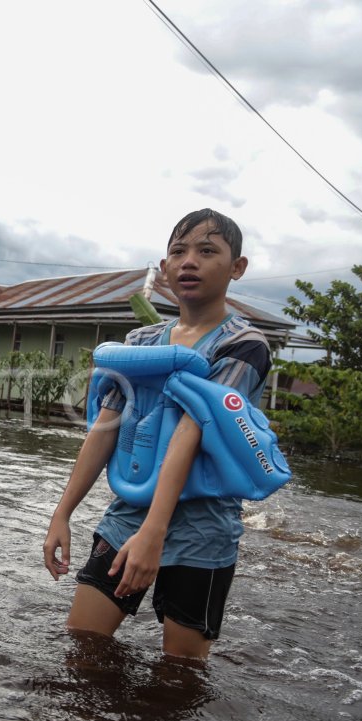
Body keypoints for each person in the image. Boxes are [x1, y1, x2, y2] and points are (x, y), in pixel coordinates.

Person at [42, 209, 271, 661]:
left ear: (237, 267)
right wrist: (61, 513)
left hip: (202, 528)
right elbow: (107, 426)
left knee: (178, 679)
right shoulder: (142, 343)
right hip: (129, 511)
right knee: (81, 649)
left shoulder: (242, 345)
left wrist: (155, 532)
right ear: (164, 267)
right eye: (178, 251)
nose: (189, 262)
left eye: (208, 251)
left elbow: (193, 429)